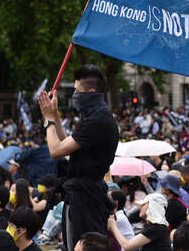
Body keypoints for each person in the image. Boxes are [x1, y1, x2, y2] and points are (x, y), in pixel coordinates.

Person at [38, 64, 119, 251]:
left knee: (79, 246)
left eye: (76, 90)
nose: (74, 95)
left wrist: (48, 120)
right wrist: (56, 116)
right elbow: (68, 146)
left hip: (85, 197)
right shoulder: (96, 115)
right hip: (83, 194)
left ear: (90, 92)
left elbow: (56, 150)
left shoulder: (98, 120)